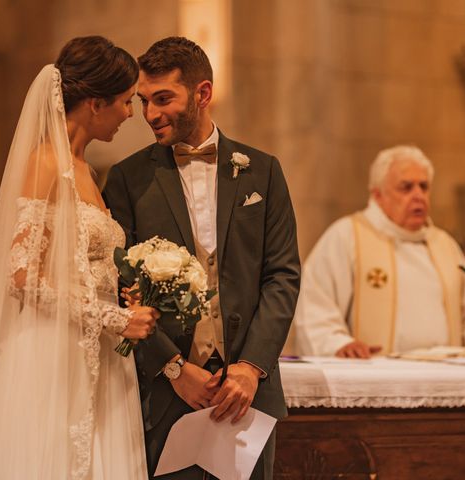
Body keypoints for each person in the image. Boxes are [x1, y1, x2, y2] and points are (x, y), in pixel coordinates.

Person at [0, 36, 159, 479]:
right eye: (125, 102)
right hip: (55, 352)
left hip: (99, 353)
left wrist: (126, 297)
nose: (130, 114)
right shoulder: (46, 163)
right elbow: (21, 277)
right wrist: (113, 319)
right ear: (94, 103)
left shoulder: (87, 169)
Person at [104, 37, 300, 479]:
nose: (150, 114)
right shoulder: (127, 179)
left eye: (163, 99)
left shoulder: (263, 171)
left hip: (249, 398)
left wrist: (250, 369)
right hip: (167, 396)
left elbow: (282, 276)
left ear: (203, 94)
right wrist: (174, 367)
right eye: (143, 101)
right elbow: (120, 289)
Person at [293, 145, 465, 359]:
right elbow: (316, 304)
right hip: (373, 379)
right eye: (406, 187)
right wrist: (339, 344)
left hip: (444, 380)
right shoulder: (347, 236)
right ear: (378, 195)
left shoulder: (445, 245)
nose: (418, 195)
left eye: (424, 186)